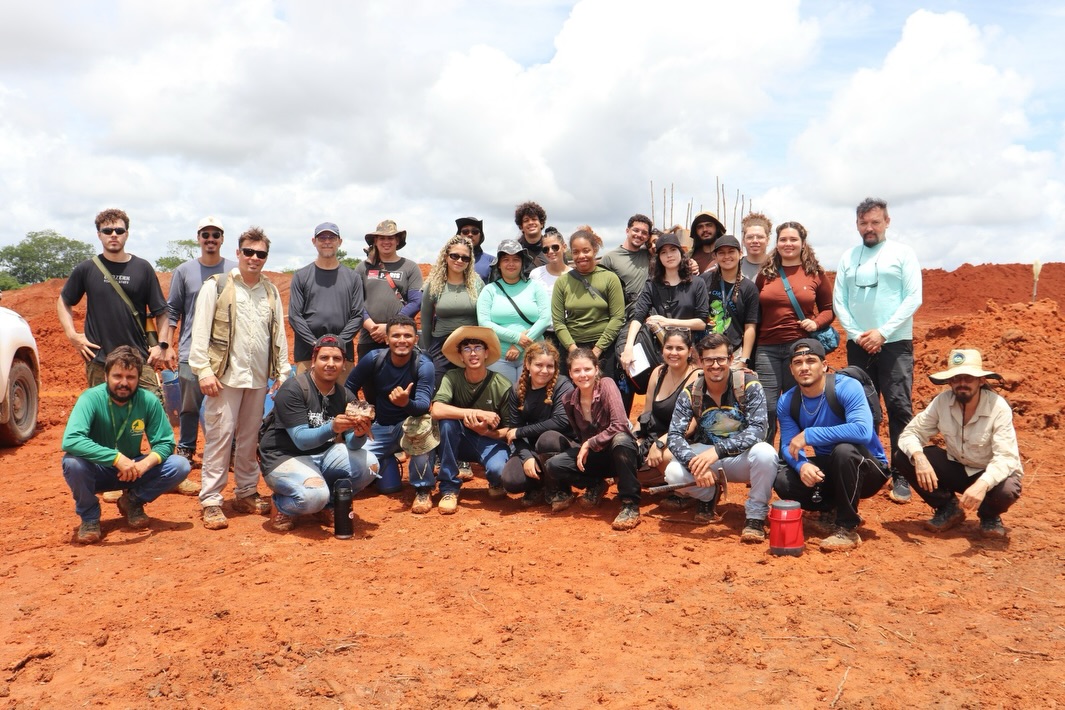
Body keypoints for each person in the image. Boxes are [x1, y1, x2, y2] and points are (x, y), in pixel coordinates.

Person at [189, 227, 289, 530]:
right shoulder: (217, 287)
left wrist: (282, 371)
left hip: (258, 378)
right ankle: (211, 500)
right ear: (238, 253)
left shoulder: (270, 291)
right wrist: (203, 370)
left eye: (261, 254)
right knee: (220, 438)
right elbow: (200, 332)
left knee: (248, 439)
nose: (254, 258)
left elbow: (279, 334)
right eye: (249, 252)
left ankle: (246, 492)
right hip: (224, 378)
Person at [833, 197, 922, 504]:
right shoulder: (849, 257)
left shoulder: (903, 254)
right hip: (859, 345)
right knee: (862, 409)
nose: (869, 228)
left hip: (895, 343)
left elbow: (913, 298)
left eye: (874, 222)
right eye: (863, 223)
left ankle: (902, 474)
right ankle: (868, 468)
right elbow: (839, 302)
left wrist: (883, 332)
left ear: (887, 221)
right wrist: (858, 334)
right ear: (857, 224)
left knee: (898, 406)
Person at [60, 346, 191, 544]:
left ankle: (132, 501)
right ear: (106, 376)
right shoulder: (90, 398)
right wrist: (115, 458)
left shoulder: (148, 400)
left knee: (180, 465)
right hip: (98, 471)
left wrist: (143, 465)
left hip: (133, 471)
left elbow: (165, 442)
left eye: (130, 377)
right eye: (117, 376)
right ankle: (90, 518)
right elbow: (71, 439)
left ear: (139, 378)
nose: (123, 383)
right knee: (73, 463)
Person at [773, 339, 890, 552]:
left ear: (824, 365)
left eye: (811, 361)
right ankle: (830, 510)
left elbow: (862, 431)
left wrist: (810, 434)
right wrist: (802, 466)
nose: (804, 367)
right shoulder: (788, 401)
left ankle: (847, 528)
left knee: (843, 450)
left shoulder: (846, 387)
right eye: (798, 362)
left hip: (867, 467)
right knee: (782, 479)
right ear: (791, 369)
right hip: (832, 467)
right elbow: (789, 446)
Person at [895, 349, 1022, 538]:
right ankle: (947, 507)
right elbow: (910, 433)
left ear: (981, 380)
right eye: (955, 378)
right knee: (905, 456)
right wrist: (919, 457)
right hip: (958, 468)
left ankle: (989, 516)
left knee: (1007, 490)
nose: (961, 384)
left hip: (989, 474)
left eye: (968, 378)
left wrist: (983, 484)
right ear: (949, 381)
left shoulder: (998, 407)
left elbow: (1006, 458)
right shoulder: (942, 402)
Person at [663, 334, 777, 542]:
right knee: (673, 472)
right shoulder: (691, 393)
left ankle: (755, 516)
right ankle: (708, 495)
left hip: (741, 458)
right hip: (706, 457)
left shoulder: (749, 386)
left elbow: (759, 430)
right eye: (708, 360)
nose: (715, 365)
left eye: (721, 359)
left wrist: (717, 451)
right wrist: (692, 462)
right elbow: (675, 436)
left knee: (766, 453)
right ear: (699, 361)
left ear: (731, 360)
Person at [259, 335, 378, 532]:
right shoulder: (294, 388)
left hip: (322, 455)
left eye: (337, 359)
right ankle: (282, 505)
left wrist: (359, 434)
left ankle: (328, 504)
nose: (330, 364)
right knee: (313, 496)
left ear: (344, 365)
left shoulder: (345, 395)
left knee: (370, 465)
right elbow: (300, 440)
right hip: (284, 456)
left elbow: (352, 445)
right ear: (313, 361)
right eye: (324, 358)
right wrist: (332, 427)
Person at [57, 208, 169, 398]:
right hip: (100, 360)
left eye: (119, 230)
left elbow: (162, 312)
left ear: (127, 234)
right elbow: (64, 301)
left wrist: (162, 346)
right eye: (107, 231)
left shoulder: (143, 268)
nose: (114, 235)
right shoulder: (87, 269)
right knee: (105, 419)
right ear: (99, 235)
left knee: (154, 411)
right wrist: (72, 335)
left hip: (138, 359)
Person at [164, 215, 235, 491]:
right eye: (205, 235)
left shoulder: (233, 270)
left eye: (215, 235)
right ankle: (187, 450)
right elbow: (173, 310)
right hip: (190, 350)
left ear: (222, 239)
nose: (210, 240)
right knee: (189, 405)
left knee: (228, 404)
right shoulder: (184, 271)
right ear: (198, 238)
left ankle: (230, 451)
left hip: (225, 351)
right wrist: (167, 344)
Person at [415, 326, 513, 515]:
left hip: (489, 440)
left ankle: (495, 481)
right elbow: (437, 410)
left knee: (499, 471)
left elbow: (510, 430)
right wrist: (477, 413)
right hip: (457, 439)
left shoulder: (502, 384)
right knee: (447, 423)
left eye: (478, 348)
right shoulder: (452, 377)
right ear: (460, 356)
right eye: (467, 349)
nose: (473, 353)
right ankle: (449, 488)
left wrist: (485, 431)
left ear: (486, 353)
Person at [542, 348, 642, 530]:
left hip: (620, 454)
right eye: (577, 371)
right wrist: (585, 446)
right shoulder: (568, 399)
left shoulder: (606, 384)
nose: (583, 375)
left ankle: (630, 504)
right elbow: (579, 435)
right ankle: (595, 484)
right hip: (596, 457)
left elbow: (620, 424)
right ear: (570, 374)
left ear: (596, 369)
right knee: (553, 465)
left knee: (620, 439)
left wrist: (590, 443)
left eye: (587, 369)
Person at [754, 221, 834, 444]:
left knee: (794, 406)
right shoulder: (766, 273)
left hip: (799, 350)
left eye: (793, 239)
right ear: (776, 243)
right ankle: (766, 460)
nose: (788, 244)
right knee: (767, 408)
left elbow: (829, 310)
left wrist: (816, 323)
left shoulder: (815, 274)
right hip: (766, 349)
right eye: (783, 239)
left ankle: (790, 459)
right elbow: (754, 311)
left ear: (802, 243)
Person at [345, 315, 436, 495]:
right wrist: (361, 417)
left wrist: (405, 403)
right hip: (381, 426)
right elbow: (349, 387)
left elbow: (424, 405)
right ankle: (386, 460)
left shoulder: (424, 365)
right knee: (357, 467)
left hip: (411, 427)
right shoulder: (374, 359)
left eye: (407, 336)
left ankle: (423, 489)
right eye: (396, 336)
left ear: (415, 339)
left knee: (424, 434)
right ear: (386, 339)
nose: (402, 340)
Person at [498, 342, 575, 506]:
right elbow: (513, 431)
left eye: (550, 366)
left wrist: (520, 432)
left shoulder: (563, 385)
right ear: (527, 364)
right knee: (511, 480)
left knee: (548, 439)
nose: (544, 371)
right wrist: (526, 458)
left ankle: (560, 490)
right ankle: (538, 486)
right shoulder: (517, 390)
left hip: (564, 445)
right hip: (534, 449)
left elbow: (561, 421)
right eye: (538, 365)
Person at [620, 232, 709, 372]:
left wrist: (667, 321)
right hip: (662, 352)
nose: (669, 255)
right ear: (658, 257)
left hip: (691, 351)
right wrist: (628, 347)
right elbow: (638, 317)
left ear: (681, 252)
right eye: (663, 252)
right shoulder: (652, 284)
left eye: (673, 250)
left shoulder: (697, 283)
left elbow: (701, 323)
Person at [288, 222, 365, 378]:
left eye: (332, 237)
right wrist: (316, 344)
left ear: (340, 242)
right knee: (307, 399)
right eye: (322, 237)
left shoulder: (353, 278)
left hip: (342, 355)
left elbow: (357, 315)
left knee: (340, 400)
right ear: (314, 241)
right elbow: (295, 316)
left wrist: (338, 344)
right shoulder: (301, 276)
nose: (327, 241)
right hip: (307, 354)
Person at [551, 226, 626, 379]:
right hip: (572, 348)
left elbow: (617, 318)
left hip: (605, 349)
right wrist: (574, 351)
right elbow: (558, 322)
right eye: (576, 252)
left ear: (595, 250)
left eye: (586, 250)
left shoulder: (610, 278)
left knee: (605, 394)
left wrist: (597, 351)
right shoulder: (562, 282)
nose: (581, 256)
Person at [633, 329, 699, 491]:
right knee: (623, 452)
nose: (673, 353)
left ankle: (688, 493)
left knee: (664, 457)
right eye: (669, 348)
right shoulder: (658, 372)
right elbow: (646, 412)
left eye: (680, 348)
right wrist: (634, 438)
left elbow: (692, 425)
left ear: (690, 351)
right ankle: (663, 481)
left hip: (683, 438)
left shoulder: (697, 377)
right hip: (655, 435)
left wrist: (661, 443)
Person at [477, 240, 551, 384]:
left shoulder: (535, 287)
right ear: (499, 264)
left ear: (522, 263)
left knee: (532, 400)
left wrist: (518, 345)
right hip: (499, 357)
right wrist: (517, 337)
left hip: (534, 355)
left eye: (516, 259)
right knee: (504, 400)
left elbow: (545, 319)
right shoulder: (489, 290)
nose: (511, 264)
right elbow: (484, 322)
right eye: (506, 260)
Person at [420, 235, 483, 388]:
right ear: (446, 256)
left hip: (471, 346)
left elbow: (483, 317)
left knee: (469, 389)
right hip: (442, 346)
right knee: (440, 390)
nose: (459, 260)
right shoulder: (434, 284)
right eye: (455, 256)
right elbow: (426, 320)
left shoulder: (477, 283)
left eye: (465, 258)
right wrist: (429, 351)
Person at [355, 219, 424, 359]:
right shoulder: (362, 268)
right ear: (375, 240)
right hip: (369, 337)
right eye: (382, 238)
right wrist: (373, 328)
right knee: (368, 380)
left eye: (390, 237)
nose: (386, 241)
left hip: (400, 338)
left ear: (397, 240)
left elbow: (416, 301)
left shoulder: (410, 267)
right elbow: (354, 302)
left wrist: (390, 327)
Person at [702, 235, 759, 366]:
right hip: (704, 351)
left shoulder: (749, 288)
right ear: (714, 257)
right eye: (721, 253)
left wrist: (744, 359)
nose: (726, 256)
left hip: (734, 353)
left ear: (740, 253)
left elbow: (750, 327)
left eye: (731, 252)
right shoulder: (704, 280)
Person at [600, 214, 653, 321]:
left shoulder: (649, 255)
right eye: (636, 230)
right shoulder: (610, 258)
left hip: (646, 315)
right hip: (621, 318)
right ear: (627, 230)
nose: (639, 235)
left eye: (644, 233)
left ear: (647, 237)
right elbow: (600, 291)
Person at [529, 227, 571, 353]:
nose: (550, 252)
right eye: (546, 249)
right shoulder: (535, 274)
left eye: (555, 247)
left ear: (564, 247)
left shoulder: (574, 275)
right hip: (542, 334)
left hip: (568, 333)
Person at [456, 217, 493, 281]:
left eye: (475, 231)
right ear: (459, 235)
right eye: (465, 231)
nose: (470, 234)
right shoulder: (450, 260)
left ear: (481, 236)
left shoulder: (492, 262)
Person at [514, 201, 549, 267]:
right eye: (526, 220)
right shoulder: (515, 250)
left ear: (541, 223)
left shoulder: (553, 248)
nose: (530, 222)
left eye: (534, 219)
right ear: (521, 227)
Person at [740, 212, 771, 280]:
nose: (755, 241)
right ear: (743, 241)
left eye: (760, 237)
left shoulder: (776, 267)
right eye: (750, 237)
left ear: (768, 240)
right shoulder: (734, 268)